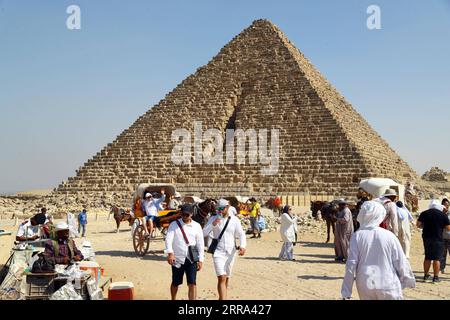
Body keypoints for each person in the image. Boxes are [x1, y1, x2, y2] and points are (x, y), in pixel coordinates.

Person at [341, 200, 415, 300]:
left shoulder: (357, 236)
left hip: (365, 283)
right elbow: (400, 260)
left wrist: (346, 290)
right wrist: (407, 279)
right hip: (388, 282)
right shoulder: (389, 236)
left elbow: (351, 264)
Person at [203, 199, 246, 300]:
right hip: (218, 251)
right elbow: (203, 233)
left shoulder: (234, 220)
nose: (220, 211)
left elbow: (241, 234)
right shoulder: (213, 218)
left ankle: (222, 297)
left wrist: (243, 246)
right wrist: (212, 224)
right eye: (218, 209)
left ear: (227, 207)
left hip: (231, 252)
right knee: (221, 277)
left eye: (222, 209)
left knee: (226, 277)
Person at [165, 204, 204, 300]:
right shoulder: (174, 225)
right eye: (183, 214)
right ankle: (173, 298)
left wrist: (201, 259)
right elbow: (168, 240)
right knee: (175, 282)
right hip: (177, 259)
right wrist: (170, 253)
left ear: (191, 214)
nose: (184, 217)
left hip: (192, 258)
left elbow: (200, 243)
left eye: (187, 215)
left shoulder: (197, 226)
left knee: (192, 283)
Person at [417, 200, 450, 283]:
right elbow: (448, 228)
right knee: (437, 258)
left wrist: (425, 226)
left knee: (427, 257)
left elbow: (418, 224)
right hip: (438, 238)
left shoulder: (424, 213)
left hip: (426, 237)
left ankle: (426, 275)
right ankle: (435, 277)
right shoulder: (443, 215)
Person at [440, 199, 450, 273]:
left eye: (447, 204)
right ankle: (441, 268)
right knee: (442, 254)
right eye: (444, 204)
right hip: (442, 237)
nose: (446, 206)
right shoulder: (439, 214)